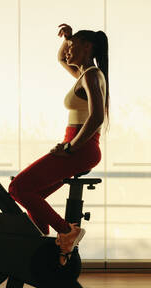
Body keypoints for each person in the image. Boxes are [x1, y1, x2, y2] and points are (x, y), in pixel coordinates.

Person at [9, 23, 109, 265]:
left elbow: (97, 117)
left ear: (88, 47)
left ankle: (67, 232)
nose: (67, 51)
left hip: (80, 148)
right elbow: (60, 58)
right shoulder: (84, 75)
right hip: (76, 146)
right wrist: (67, 37)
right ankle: (40, 245)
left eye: (72, 47)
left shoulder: (92, 75)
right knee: (32, 196)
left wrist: (70, 147)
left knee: (17, 188)